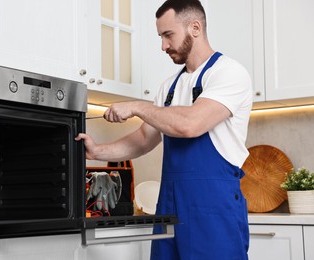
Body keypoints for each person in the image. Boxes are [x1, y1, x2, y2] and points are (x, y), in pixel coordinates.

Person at [76, 0, 252, 259]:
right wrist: (97, 151)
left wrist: (137, 106)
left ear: (195, 27)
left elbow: (190, 124)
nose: (163, 46)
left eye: (168, 35)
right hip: (170, 206)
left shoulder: (229, 73)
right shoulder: (169, 88)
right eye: (160, 36)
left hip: (213, 208)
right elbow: (143, 139)